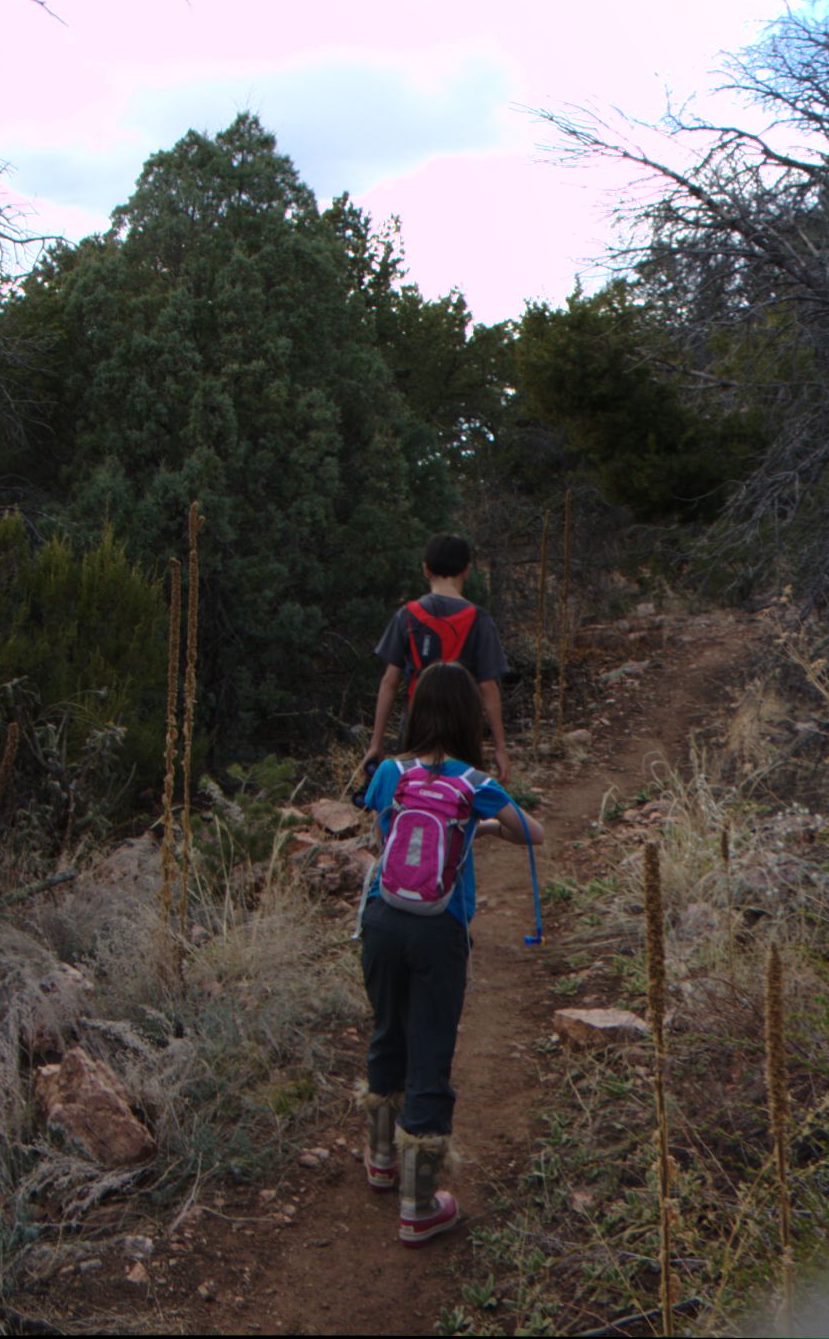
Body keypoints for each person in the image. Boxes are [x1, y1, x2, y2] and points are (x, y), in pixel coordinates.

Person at [358, 662, 545, 1245]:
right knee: (432, 1048)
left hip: (383, 920)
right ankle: (419, 1204)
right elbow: (533, 833)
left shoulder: (391, 770)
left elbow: (382, 833)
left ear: (415, 713)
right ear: (469, 719)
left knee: (389, 1027)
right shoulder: (473, 783)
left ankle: (381, 1157)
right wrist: (482, 828)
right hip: (441, 930)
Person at [360, 533, 511, 786]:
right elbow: (488, 686)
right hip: (463, 724)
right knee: (461, 792)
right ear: (466, 570)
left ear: (425, 569)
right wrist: (500, 748)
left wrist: (376, 743)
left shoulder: (407, 615)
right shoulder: (479, 619)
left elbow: (389, 681)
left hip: (416, 722)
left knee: (410, 791)